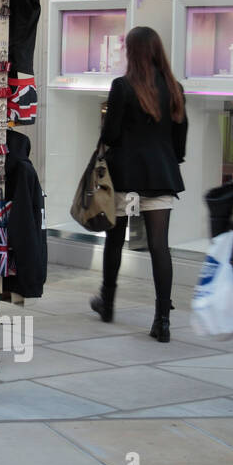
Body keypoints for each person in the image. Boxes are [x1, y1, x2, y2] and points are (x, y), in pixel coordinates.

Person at [90, 26, 188, 342]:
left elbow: (111, 135)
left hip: (125, 177)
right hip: (161, 177)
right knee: (160, 246)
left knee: (115, 239)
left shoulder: (122, 87)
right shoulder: (175, 88)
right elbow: (180, 143)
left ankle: (107, 302)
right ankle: (162, 319)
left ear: (132, 53)